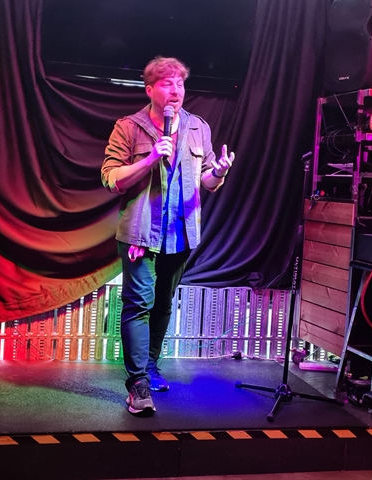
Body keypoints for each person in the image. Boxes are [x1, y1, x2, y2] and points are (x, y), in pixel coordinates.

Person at [101, 56, 235, 415]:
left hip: (181, 234)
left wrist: (220, 172)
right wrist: (148, 161)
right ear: (150, 90)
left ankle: (151, 366)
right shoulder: (129, 127)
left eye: (180, 83)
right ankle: (137, 384)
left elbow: (207, 181)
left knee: (163, 303)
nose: (175, 90)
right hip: (141, 233)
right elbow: (110, 178)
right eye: (166, 83)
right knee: (138, 305)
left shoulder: (198, 127)